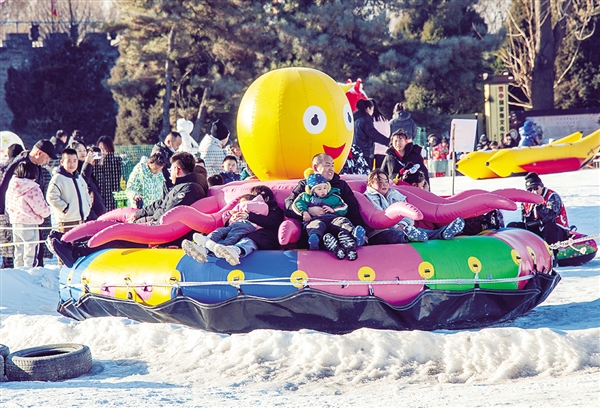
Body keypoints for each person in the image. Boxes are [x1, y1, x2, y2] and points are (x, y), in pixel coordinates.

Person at [50, 152, 207, 267]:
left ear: (177, 170)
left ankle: (76, 252)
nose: (169, 172)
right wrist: (139, 214)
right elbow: (159, 205)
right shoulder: (182, 187)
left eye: (171, 169)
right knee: (112, 226)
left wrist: (144, 222)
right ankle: (70, 242)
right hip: (154, 228)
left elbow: (169, 215)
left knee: (116, 236)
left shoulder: (189, 190)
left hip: (161, 235)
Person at [183, 185, 284, 266]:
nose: (252, 200)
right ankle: (204, 248)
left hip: (262, 237)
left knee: (248, 240)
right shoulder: (244, 209)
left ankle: (236, 250)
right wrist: (233, 218)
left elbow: (271, 222)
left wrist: (249, 216)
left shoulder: (273, 209)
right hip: (243, 229)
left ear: (265, 198)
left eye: (254, 197)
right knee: (224, 234)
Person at [285, 153, 368, 248]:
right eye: (327, 165)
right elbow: (288, 206)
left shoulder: (341, 185)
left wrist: (361, 231)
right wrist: (307, 211)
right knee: (316, 229)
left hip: (337, 227)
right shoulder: (305, 185)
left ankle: (349, 239)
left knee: (343, 225)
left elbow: (353, 209)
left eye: (332, 165)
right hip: (314, 229)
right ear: (315, 167)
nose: (331, 169)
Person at [365, 170, 464, 245]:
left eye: (386, 181)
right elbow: (380, 218)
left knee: (420, 231)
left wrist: (403, 224)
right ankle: (410, 236)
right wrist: (397, 227)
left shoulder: (395, 194)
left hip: (402, 227)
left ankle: (443, 232)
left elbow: (407, 212)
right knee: (392, 235)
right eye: (379, 182)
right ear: (370, 184)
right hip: (379, 232)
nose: (384, 184)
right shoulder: (368, 198)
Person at [0, 139, 56, 268]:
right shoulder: (18, 163)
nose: (47, 161)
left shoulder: (36, 165)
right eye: (47, 157)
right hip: (17, 217)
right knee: (26, 252)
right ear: (39, 153)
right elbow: (4, 186)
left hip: (28, 217)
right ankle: (27, 274)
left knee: (24, 252)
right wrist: (3, 212)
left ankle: (26, 272)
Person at [291, 171, 363, 260]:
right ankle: (314, 241)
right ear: (311, 190)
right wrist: (304, 212)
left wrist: (334, 210)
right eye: (319, 189)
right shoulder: (306, 197)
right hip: (315, 219)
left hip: (332, 219)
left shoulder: (333, 197)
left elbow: (344, 207)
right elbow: (297, 204)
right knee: (315, 226)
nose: (323, 191)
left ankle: (352, 234)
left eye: (325, 188)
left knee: (342, 221)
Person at [5, 161, 50, 268]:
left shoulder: (11, 186)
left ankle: (18, 272)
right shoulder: (32, 188)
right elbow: (41, 208)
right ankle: (29, 272)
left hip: (16, 223)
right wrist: (46, 213)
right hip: (30, 224)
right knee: (30, 252)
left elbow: (7, 205)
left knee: (18, 251)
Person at [506, 172, 570, 246]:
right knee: (512, 226)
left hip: (557, 230)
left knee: (549, 227)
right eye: (530, 189)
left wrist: (538, 204)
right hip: (537, 229)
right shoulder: (526, 201)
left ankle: (553, 250)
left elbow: (549, 217)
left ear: (541, 186)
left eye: (536, 188)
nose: (534, 191)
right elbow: (524, 219)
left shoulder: (552, 196)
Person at [46, 148, 93, 233]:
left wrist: (88, 204)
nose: (72, 164)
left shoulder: (79, 178)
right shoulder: (58, 178)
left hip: (81, 220)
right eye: (69, 161)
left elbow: (86, 193)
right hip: (66, 222)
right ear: (62, 162)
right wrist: (65, 208)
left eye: (74, 161)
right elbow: (51, 197)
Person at [70, 140, 106, 220]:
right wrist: (87, 164)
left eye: (84, 150)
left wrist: (98, 163)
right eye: (79, 151)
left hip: (97, 208)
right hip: (88, 212)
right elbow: (82, 182)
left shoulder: (89, 165)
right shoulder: (74, 169)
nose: (83, 153)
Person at [352, 99, 389, 169]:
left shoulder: (353, 119)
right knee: (367, 173)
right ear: (368, 109)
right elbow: (374, 135)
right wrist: (388, 142)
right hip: (366, 152)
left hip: (355, 151)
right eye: (372, 110)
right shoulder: (365, 119)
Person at [92, 136, 122, 212]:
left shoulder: (114, 163)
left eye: (105, 148)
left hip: (110, 199)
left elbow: (116, 184)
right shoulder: (93, 164)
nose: (102, 151)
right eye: (100, 148)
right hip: (96, 198)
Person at [371, 99, 391, 169]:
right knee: (380, 171)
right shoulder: (384, 118)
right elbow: (388, 133)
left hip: (372, 148)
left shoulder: (369, 119)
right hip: (383, 149)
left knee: (369, 172)